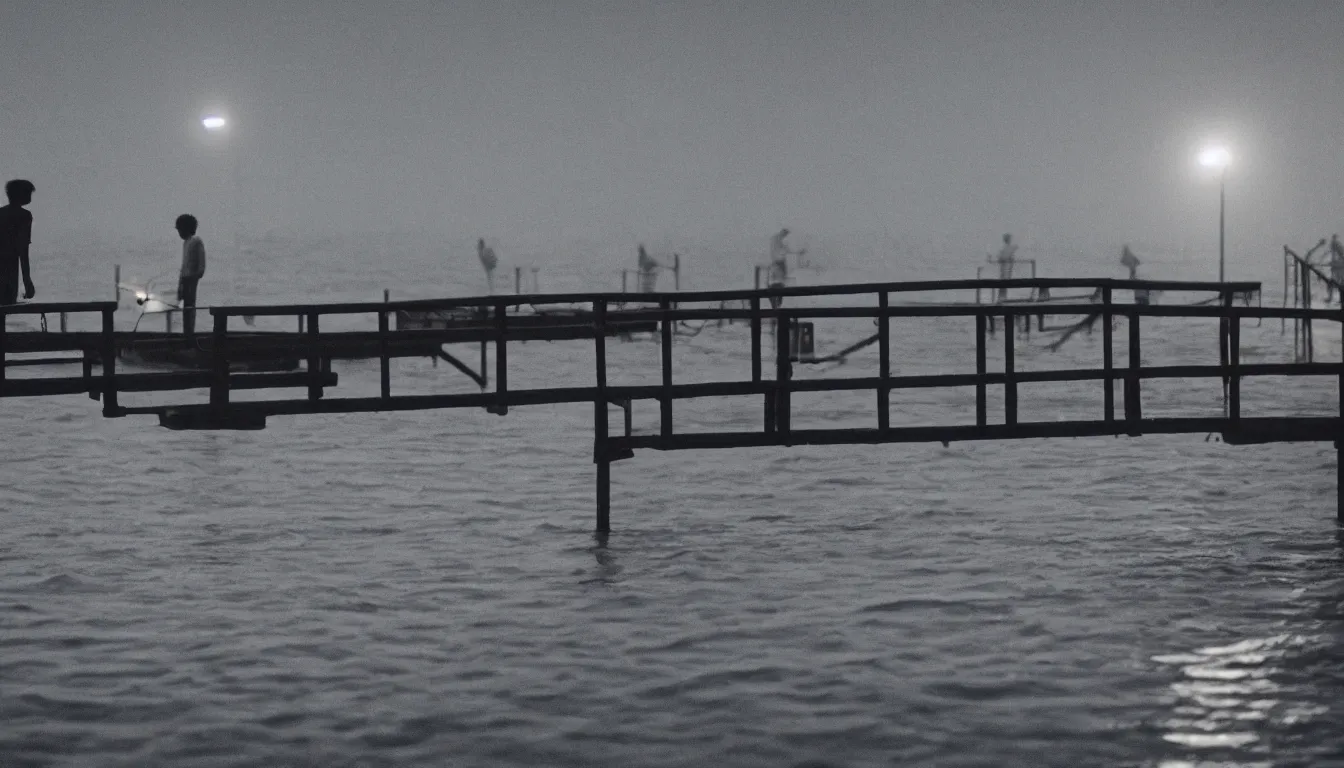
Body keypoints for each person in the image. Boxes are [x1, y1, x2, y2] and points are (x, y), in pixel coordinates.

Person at [0, 179, 37, 305]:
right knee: (7, 304)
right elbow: (23, 250)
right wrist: (27, 281)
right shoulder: (24, 216)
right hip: (9, 267)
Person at [175, 214, 206, 336]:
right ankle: (186, 335)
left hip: (191, 279)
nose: (179, 232)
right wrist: (180, 284)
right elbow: (183, 266)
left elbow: (201, 266)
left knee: (189, 308)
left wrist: (194, 277)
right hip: (185, 279)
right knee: (185, 310)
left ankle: (189, 336)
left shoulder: (196, 241)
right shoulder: (186, 243)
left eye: (180, 229)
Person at [767, 228, 804, 308]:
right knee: (779, 283)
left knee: (778, 282)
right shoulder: (778, 241)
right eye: (786, 234)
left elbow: (786, 250)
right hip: (778, 263)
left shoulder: (777, 240)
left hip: (777, 263)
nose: (786, 236)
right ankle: (777, 303)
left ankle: (776, 303)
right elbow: (785, 251)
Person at [987, 233, 1017, 301]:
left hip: (1005, 270)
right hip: (1005, 270)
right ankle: (1002, 299)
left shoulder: (1006, 248)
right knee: (1003, 285)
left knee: (1003, 285)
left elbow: (1001, 257)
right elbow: (1003, 257)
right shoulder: (1008, 248)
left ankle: (1001, 299)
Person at [1329, 234, 1344, 303]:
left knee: (1340, 284)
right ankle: (1331, 297)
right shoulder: (1335, 250)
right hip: (1336, 268)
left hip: (1339, 269)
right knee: (1333, 283)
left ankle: (1340, 299)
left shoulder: (1339, 248)